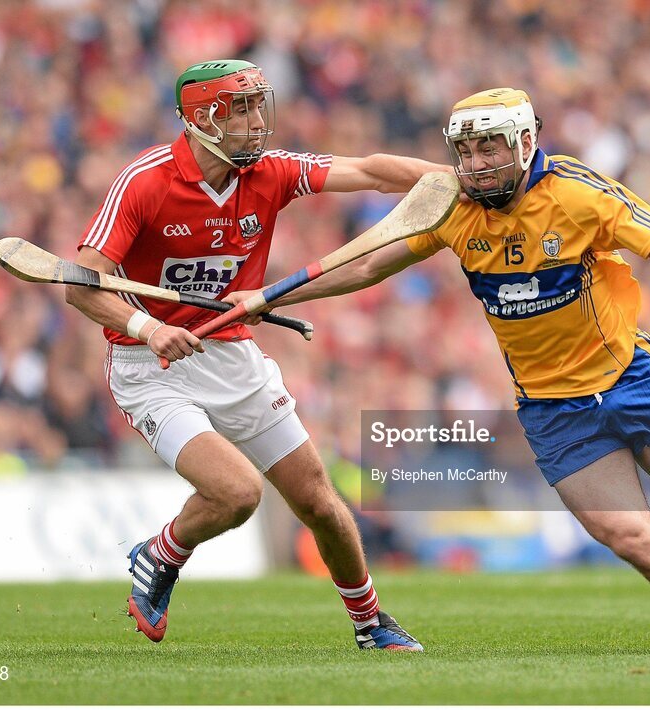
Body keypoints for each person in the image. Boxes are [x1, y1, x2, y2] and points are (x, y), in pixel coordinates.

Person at [253, 87, 650, 653]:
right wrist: (270, 298)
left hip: (630, 377)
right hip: (553, 410)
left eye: (488, 148)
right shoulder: (451, 209)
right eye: (465, 152)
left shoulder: (577, 192)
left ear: (525, 142)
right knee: (631, 538)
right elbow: (371, 263)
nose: (475, 164)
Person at [65, 59, 449, 650]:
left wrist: (457, 182)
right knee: (238, 493)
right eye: (237, 109)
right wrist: (147, 329)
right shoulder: (145, 180)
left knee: (320, 501)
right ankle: (161, 553)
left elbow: (371, 171)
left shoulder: (271, 171)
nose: (254, 121)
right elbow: (81, 284)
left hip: (232, 354)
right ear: (200, 119)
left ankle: (371, 624)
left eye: (255, 106)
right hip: (152, 368)